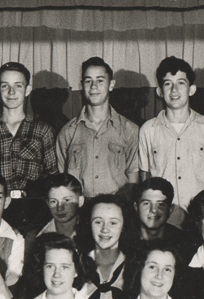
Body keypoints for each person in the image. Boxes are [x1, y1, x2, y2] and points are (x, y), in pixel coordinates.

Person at [0, 61, 57, 234]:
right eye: (5, 86)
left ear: (27, 90)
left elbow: (53, 177)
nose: (11, 92)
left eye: (18, 86)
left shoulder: (43, 131)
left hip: (35, 213)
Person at [138, 56, 204, 218]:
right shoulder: (148, 130)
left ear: (192, 89)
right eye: (168, 84)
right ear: (159, 91)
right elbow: (145, 176)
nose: (174, 90)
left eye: (181, 83)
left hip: (197, 216)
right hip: (162, 217)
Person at [56, 57, 141, 198]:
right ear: (82, 85)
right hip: (81, 209)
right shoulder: (67, 132)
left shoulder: (130, 130)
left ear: (111, 85)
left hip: (117, 207)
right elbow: (63, 182)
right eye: (88, 81)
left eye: (100, 80)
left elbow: (133, 182)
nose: (93, 86)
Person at [75, 194, 139, 299]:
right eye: (98, 222)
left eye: (113, 223)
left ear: (124, 226)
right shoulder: (75, 265)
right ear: (88, 224)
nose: (105, 229)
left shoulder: (136, 266)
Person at [134, 177, 192, 251]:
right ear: (136, 207)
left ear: (170, 209)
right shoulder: (124, 241)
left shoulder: (184, 242)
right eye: (146, 203)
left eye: (160, 204)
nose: (153, 210)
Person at [31, 173, 84, 240]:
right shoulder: (36, 237)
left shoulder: (91, 233)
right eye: (53, 201)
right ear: (47, 203)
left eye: (66, 200)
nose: (59, 208)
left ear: (80, 201)